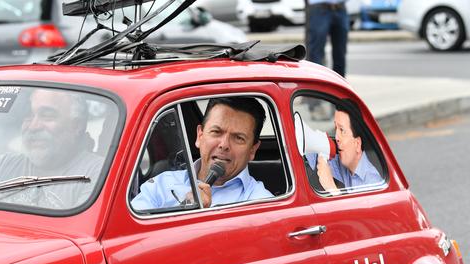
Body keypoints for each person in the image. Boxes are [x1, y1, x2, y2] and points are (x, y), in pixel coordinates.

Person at [131, 97, 273, 210]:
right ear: (200, 135)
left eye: (238, 138)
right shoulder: (160, 185)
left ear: (252, 150)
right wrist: (183, 210)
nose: (224, 145)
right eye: (216, 132)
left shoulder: (262, 205)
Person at [308, 108, 381, 193]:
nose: (336, 137)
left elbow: (356, 207)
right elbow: (311, 152)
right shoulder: (345, 162)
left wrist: (331, 187)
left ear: (357, 144)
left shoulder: (373, 183)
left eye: (342, 130)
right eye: (336, 129)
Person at [306, 0, 349, 77]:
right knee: (316, 53)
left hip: (340, 7)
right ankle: (316, 84)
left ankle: (339, 85)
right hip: (319, 8)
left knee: (340, 52)